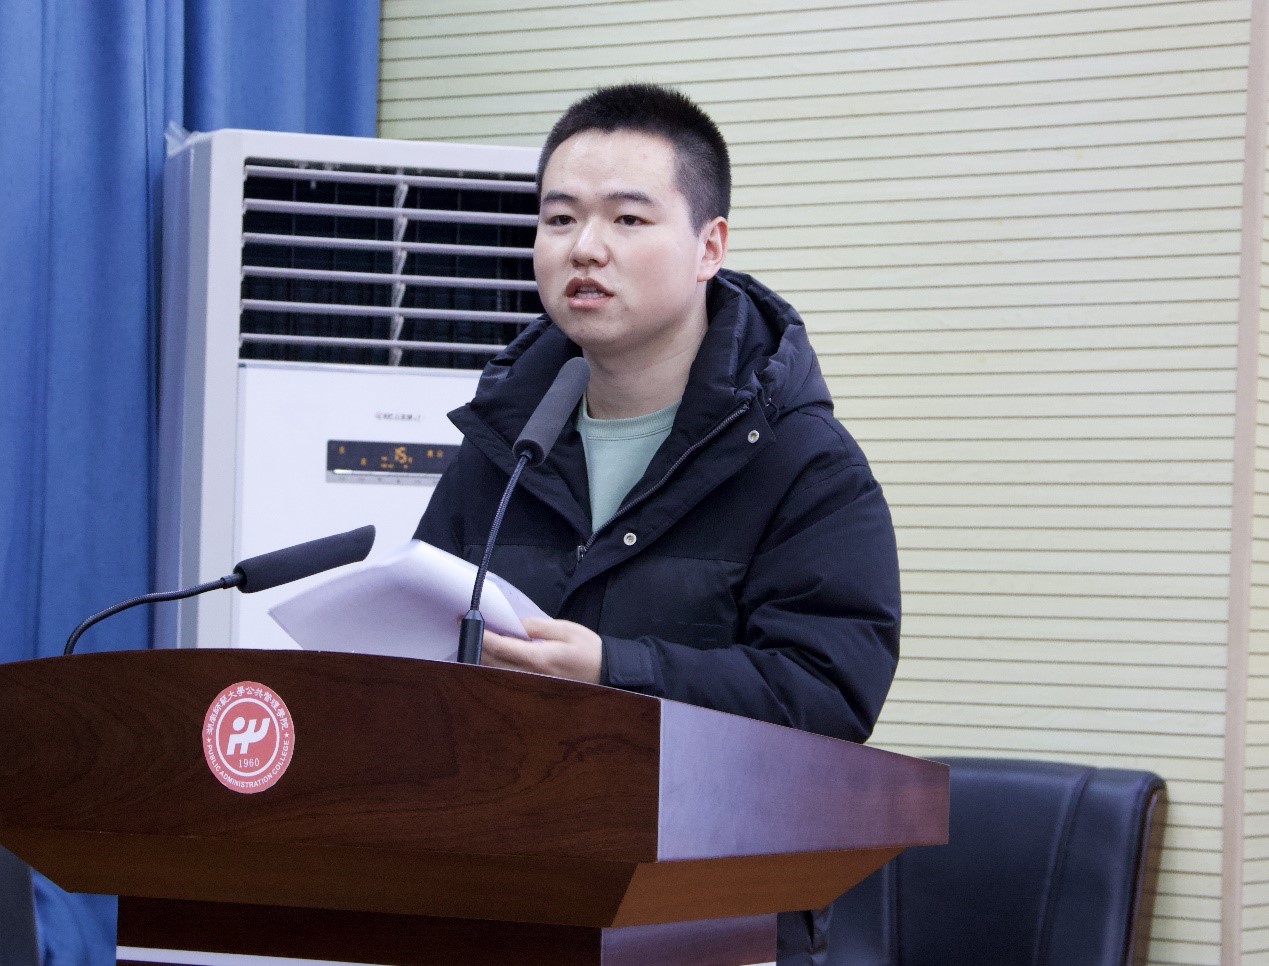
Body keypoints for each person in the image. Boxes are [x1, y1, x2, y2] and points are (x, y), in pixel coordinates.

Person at [414, 83, 900, 964]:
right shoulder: (503, 446)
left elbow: (826, 696)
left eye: (627, 219)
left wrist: (613, 672)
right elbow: (422, 636)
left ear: (709, 245)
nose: (584, 248)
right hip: (504, 899)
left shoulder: (801, 462)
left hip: (711, 918)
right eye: (559, 219)